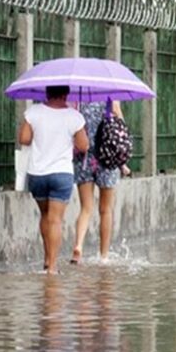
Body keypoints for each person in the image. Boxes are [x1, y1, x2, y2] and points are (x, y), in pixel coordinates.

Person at [19, 86, 89, 273]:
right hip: (61, 174)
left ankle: (46, 259)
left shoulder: (33, 112)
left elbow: (24, 139)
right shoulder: (74, 116)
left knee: (45, 216)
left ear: (47, 93)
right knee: (55, 220)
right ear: (66, 94)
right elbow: (83, 146)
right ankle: (52, 267)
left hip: (37, 174)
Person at [71, 101, 130, 264]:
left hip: (84, 159)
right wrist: (123, 163)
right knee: (106, 210)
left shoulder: (79, 100)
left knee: (86, 207)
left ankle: (79, 245)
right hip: (107, 158)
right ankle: (104, 256)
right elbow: (120, 134)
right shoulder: (111, 99)